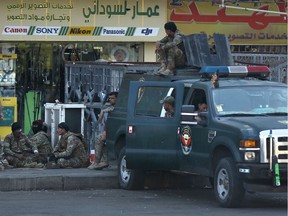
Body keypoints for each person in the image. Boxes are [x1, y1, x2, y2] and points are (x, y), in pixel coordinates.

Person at [88, 91, 118, 170]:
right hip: (110, 131)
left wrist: (104, 111)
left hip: (115, 132)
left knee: (99, 139)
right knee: (102, 141)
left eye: (113, 98)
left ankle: (96, 162)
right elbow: (100, 121)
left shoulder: (117, 108)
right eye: (109, 98)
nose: (110, 100)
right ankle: (103, 161)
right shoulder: (109, 108)